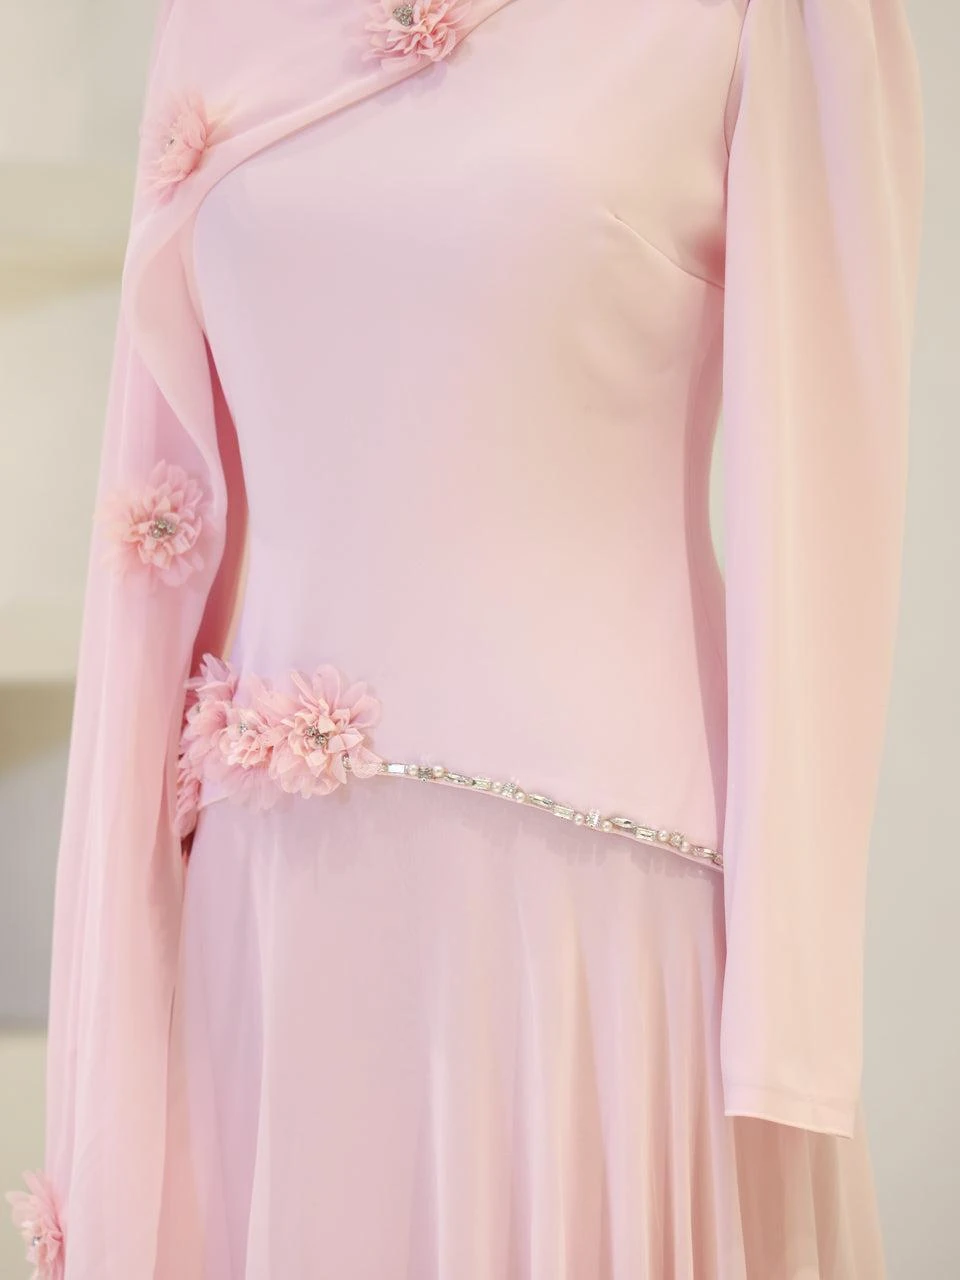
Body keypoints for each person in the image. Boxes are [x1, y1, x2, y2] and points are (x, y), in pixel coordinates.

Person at [7, 0, 924, 1275]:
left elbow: (819, 505)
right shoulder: (213, 24)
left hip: (590, 925)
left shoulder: (754, 20)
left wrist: (792, 1008)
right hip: (268, 929)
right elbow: (160, 519)